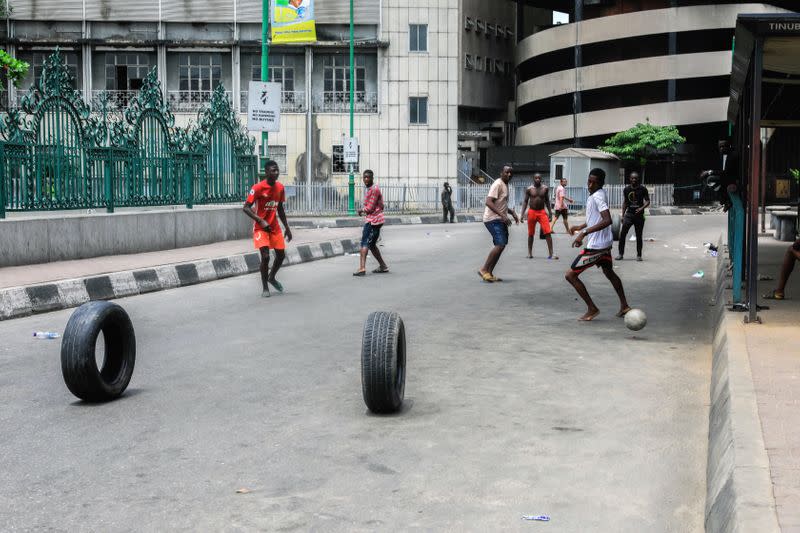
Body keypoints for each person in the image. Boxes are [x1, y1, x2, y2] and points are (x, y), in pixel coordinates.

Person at [566, 168, 632, 321]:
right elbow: (595, 218)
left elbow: (607, 220)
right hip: (604, 245)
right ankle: (624, 306)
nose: (589, 185)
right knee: (609, 273)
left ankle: (592, 308)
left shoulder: (598, 197)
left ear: (601, 183)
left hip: (597, 247)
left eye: (593, 182)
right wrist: (580, 227)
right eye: (589, 181)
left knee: (570, 275)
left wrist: (584, 233)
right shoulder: (597, 195)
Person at [242, 160, 293, 298]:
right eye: (273, 170)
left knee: (281, 255)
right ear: (266, 172)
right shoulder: (258, 188)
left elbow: (280, 209)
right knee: (265, 257)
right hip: (260, 227)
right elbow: (245, 207)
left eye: (277, 170)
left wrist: (287, 228)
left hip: (274, 227)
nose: (276, 173)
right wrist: (260, 220)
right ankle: (265, 287)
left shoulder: (280, 188)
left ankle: (271, 277)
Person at [478, 165, 520, 282]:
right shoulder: (497, 184)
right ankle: (484, 269)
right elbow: (488, 202)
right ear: (502, 172)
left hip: (499, 218)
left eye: (511, 173)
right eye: (507, 172)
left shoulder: (505, 185)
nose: (509, 175)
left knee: (501, 245)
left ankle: (489, 274)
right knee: (500, 244)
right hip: (492, 219)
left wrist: (512, 213)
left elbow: (501, 203)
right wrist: (502, 216)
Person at [354, 170, 389, 276]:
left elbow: (370, 208)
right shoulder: (371, 189)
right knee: (372, 244)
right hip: (377, 220)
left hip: (373, 221)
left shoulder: (374, 190)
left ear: (372, 178)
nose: (365, 179)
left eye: (368, 177)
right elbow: (381, 205)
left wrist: (361, 210)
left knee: (364, 243)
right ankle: (383, 266)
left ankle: (362, 268)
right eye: (364, 177)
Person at [520, 173, 557, 259]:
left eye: (539, 178)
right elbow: (525, 201)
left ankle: (551, 253)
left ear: (541, 179)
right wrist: (522, 214)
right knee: (530, 233)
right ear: (533, 179)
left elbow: (547, 201)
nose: (537, 179)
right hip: (532, 212)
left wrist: (550, 213)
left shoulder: (545, 188)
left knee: (548, 232)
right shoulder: (529, 189)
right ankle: (529, 253)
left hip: (542, 212)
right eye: (536, 178)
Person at [616, 172, 650, 261]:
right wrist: (623, 215)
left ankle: (639, 255)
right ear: (629, 179)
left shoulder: (643, 189)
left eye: (635, 178)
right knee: (622, 234)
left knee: (639, 235)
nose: (634, 180)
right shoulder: (626, 189)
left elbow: (647, 201)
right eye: (632, 178)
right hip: (629, 215)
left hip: (639, 216)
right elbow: (625, 203)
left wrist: (641, 208)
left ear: (638, 179)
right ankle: (620, 254)